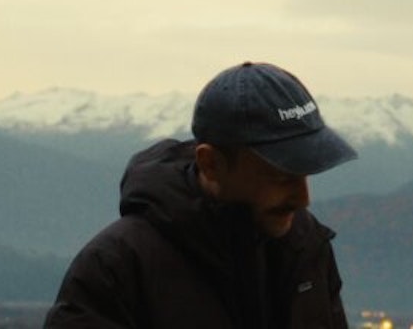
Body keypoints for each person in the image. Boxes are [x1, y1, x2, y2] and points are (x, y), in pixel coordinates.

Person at [43, 61, 358, 328]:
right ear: (211, 164)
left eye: (305, 172)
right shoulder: (116, 268)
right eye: (280, 175)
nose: (302, 198)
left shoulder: (306, 248)